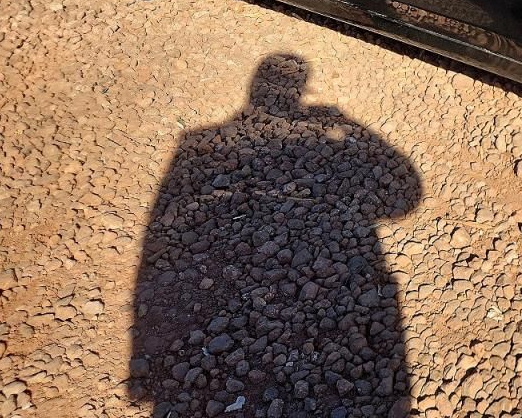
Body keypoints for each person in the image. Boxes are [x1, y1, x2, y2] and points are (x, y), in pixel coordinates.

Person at [129, 54, 420, 418]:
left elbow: (160, 230)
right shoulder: (198, 144)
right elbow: (406, 199)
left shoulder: (196, 143)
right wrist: (348, 125)